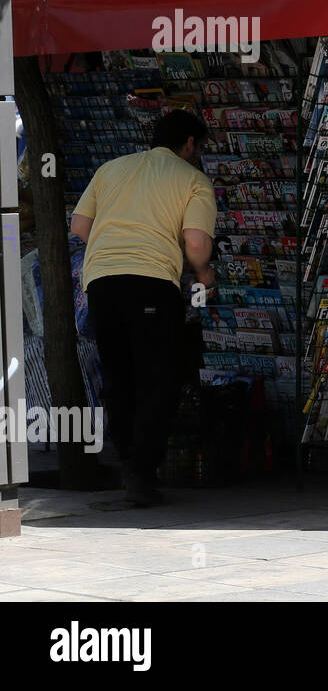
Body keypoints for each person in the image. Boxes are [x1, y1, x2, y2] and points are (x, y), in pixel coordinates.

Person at [70, 110, 218, 506]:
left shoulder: (111, 169)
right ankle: (141, 473)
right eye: (199, 147)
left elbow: (80, 226)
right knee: (157, 380)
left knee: (118, 378)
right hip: (152, 284)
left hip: (101, 283)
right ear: (189, 143)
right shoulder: (193, 181)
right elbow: (197, 244)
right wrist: (204, 274)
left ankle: (129, 467)